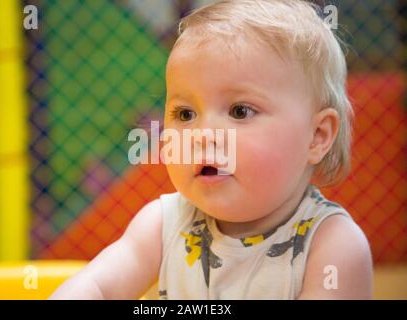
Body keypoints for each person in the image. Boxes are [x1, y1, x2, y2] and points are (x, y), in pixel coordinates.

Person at [50, 0, 372, 300]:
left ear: (316, 136)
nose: (203, 136)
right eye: (185, 114)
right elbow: (96, 286)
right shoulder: (163, 224)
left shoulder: (332, 246)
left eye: (240, 111)